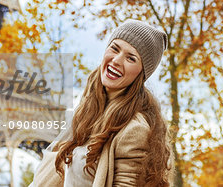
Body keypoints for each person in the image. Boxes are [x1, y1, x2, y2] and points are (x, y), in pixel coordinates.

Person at [30, 19, 172, 187]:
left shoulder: (135, 129)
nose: (117, 60)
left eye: (131, 58)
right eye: (115, 48)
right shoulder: (88, 113)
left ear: (141, 74)